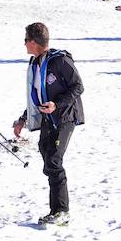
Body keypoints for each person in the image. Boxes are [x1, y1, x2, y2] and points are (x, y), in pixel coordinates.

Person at [13, 23, 83, 227]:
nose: (24, 44)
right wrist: (24, 118)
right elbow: (36, 95)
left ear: (33, 42)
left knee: (54, 160)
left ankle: (62, 211)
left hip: (65, 117)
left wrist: (57, 104)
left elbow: (78, 86)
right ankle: (55, 210)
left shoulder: (60, 60)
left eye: (26, 40)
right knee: (46, 154)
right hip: (46, 118)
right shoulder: (35, 63)